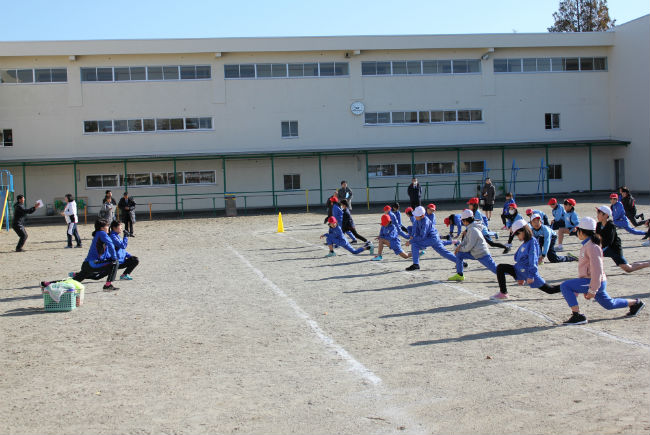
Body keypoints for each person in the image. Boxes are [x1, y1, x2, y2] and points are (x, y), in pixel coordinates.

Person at [559, 217, 645, 324]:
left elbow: (597, 270)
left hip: (594, 281)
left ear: (582, 231)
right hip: (594, 281)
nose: (576, 232)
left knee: (565, 286)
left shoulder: (592, 246)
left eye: (577, 229)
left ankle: (577, 316)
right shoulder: (588, 244)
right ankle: (636, 303)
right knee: (609, 304)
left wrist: (592, 289)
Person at [491, 220, 562, 300]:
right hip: (519, 270)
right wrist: (519, 277)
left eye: (517, 234)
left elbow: (533, 260)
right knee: (501, 267)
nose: (517, 237)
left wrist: (531, 276)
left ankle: (570, 288)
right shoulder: (526, 242)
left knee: (550, 290)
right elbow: (520, 259)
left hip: (528, 273)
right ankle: (503, 293)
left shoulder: (532, 242)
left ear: (523, 231)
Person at [595, 205, 650, 273]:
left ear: (606, 215)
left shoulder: (611, 226)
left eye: (599, 213)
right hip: (604, 248)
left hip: (614, 249)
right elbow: (597, 238)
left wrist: (598, 247)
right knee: (592, 255)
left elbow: (609, 241)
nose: (597, 215)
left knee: (628, 269)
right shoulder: (598, 225)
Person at [69, 219, 119, 291]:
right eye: (107, 226)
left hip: (87, 264)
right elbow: (110, 244)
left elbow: (106, 252)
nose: (109, 227)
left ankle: (48, 283)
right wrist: (114, 258)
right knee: (115, 263)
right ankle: (107, 286)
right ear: (102, 228)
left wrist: (111, 258)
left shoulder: (98, 234)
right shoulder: (102, 233)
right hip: (92, 264)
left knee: (71, 283)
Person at [448, 209, 497, 281]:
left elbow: (469, 247)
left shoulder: (473, 230)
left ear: (465, 221)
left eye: (462, 221)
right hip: (475, 253)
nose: (462, 222)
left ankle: (516, 272)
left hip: (481, 254)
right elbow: (465, 240)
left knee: (496, 270)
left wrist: (460, 249)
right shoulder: (470, 228)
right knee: (459, 254)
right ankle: (459, 275)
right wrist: (459, 246)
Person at [404, 206, 459, 271]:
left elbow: (422, 236)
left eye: (416, 215)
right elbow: (414, 227)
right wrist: (412, 235)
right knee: (444, 252)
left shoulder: (425, 221)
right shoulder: (417, 219)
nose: (415, 216)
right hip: (432, 238)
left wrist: (411, 241)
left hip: (432, 238)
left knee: (415, 244)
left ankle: (416, 264)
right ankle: (461, 262)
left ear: (422, 216)